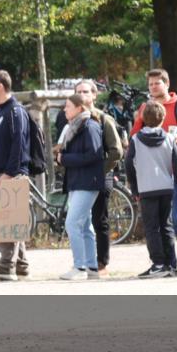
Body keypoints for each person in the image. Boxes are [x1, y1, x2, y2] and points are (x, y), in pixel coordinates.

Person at [129, 69, 177, 247]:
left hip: (176, 168)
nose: (153, 87)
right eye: (150, 84)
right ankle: (166, 263)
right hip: (153, 171)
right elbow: (135, 134)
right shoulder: (145, 107)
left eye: (157, 83)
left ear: (167, 84)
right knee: (158, 223)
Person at [126, 100, 177, 277]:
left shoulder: (136, 140)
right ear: (163, 119)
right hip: (166, 188)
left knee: (152, 227)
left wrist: (135, 189)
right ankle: (170, 264)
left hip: (147, 189)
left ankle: (158, 263)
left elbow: (129, 166)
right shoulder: (169, 138)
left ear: (143, 119)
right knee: (166, 226)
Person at [69, 81, 123, 274]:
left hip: (101, 175)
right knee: (81, 221)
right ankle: (85, 262)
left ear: (94, 95)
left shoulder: (103, 119)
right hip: (80, 178)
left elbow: (116, 150)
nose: (82, 94)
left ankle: (101, 263)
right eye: (78, 92)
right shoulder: (71, 119)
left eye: (85, 91)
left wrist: (101, 170)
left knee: (99, 219)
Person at [0, 70, 31, 281]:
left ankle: (6, 266)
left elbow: (18, 144)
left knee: (7, 221)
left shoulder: (15, 111)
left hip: (10, 174)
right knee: (11, 219)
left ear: (0, 87)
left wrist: (9, 173)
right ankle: (21, 265)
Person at [55, 93, 104, 281]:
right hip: (78, 181)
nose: (65, 109)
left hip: (87, 181)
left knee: (72, 223)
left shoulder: (89, 126)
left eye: (68, 106)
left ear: (79, 108)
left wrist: (65, 158)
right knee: (84, 225)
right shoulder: (75, 127)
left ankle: (79, 266)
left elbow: (93, 155)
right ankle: (91, 266)